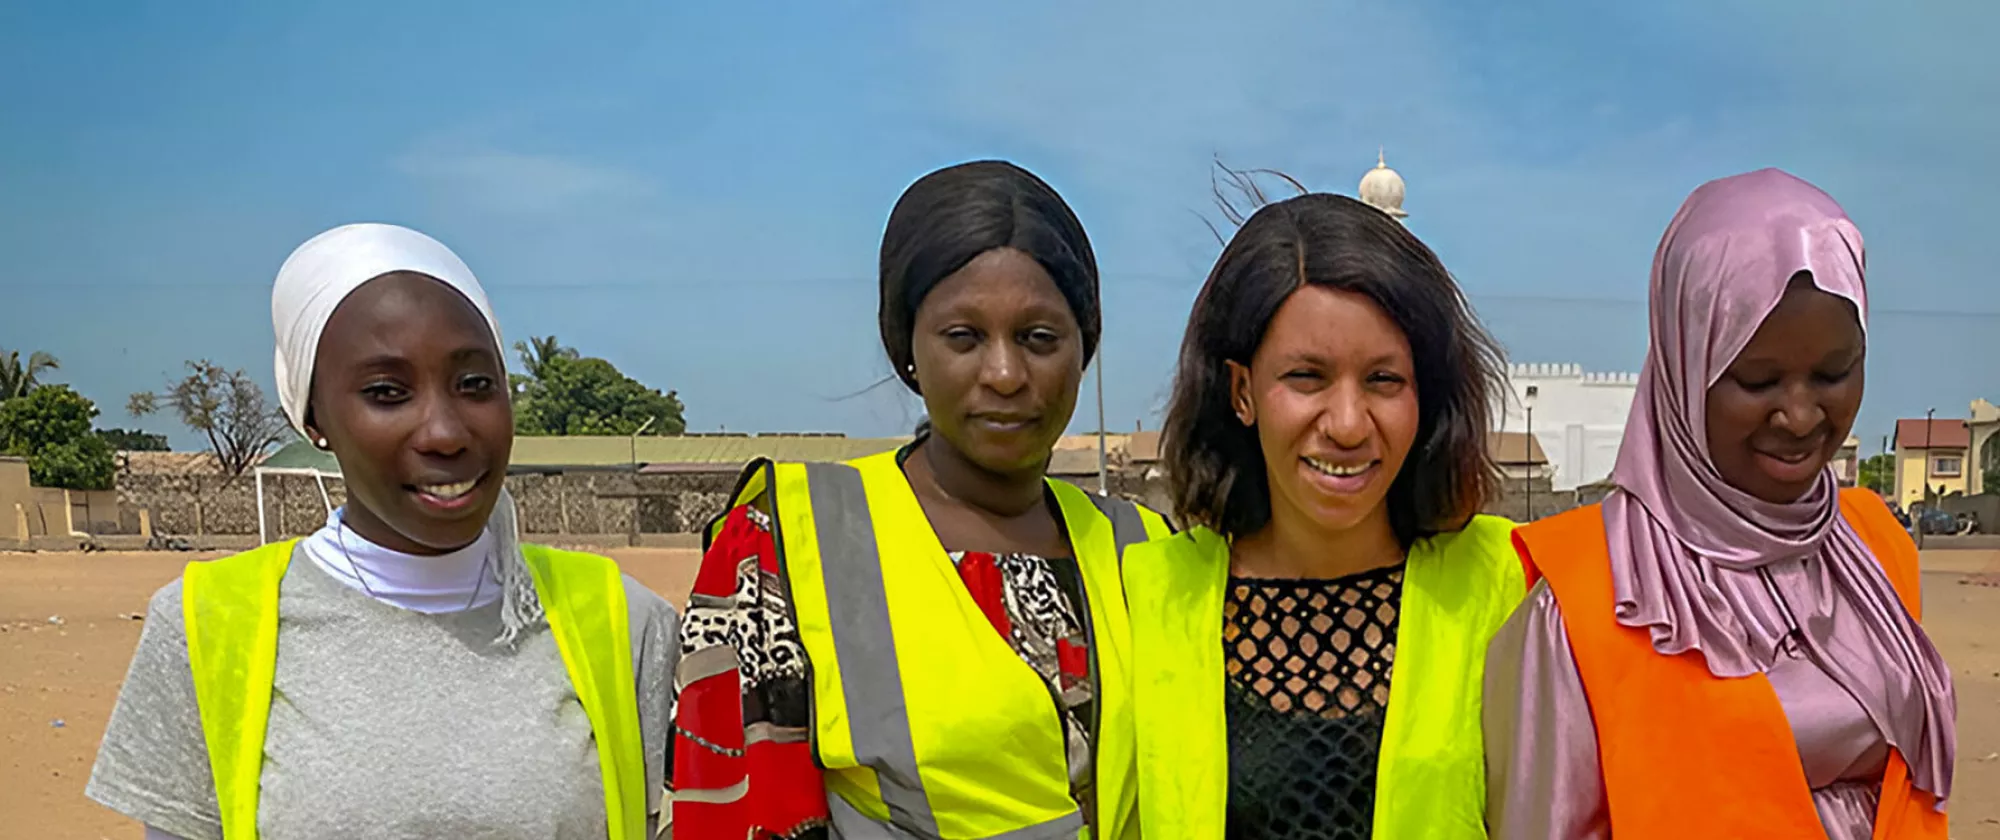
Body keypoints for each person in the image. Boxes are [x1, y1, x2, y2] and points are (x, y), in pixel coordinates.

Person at [86, 223, 681, 840]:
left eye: (474, 383)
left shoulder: (622, 620)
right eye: (387, 392)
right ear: (315, 416)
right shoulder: (207, 624)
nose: (445, 432)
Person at [669, 160, 1172, 839]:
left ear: (1084, 348)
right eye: (963, 337)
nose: (1003, 374)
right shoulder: (787, 544)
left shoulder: (1147, 551)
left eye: (1039, 339)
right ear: (907, 347)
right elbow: (737, 812)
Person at [1485, 169, 1957, 840]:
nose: (1799, 416)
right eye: (1757, 380)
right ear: (1683, 368)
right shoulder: (1588, 597)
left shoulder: (1873, 548)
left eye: (1833, 373)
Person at [1124, 186, 1524, 839]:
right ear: (1242, 391)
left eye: (1384, 380)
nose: (1346, 424)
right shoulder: (1147, 597)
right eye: (1306, 377)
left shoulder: (1505, 588)